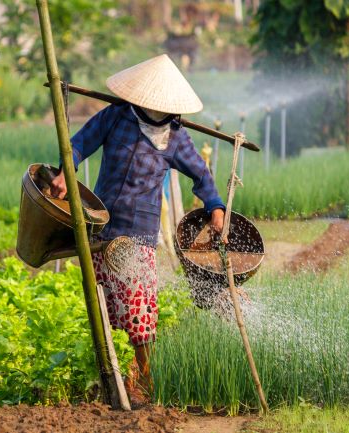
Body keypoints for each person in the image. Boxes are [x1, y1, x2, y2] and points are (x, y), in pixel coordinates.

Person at [49, 54, 225, 400]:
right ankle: (111, 376)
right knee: (105, 306)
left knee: (138, 308)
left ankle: (145, 377)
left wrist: (215, 207)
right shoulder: (117, 116)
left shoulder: (175, 138)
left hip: (138, 238)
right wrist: (63, 174)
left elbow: (202, 174)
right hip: (101, 227)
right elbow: (80, 143)